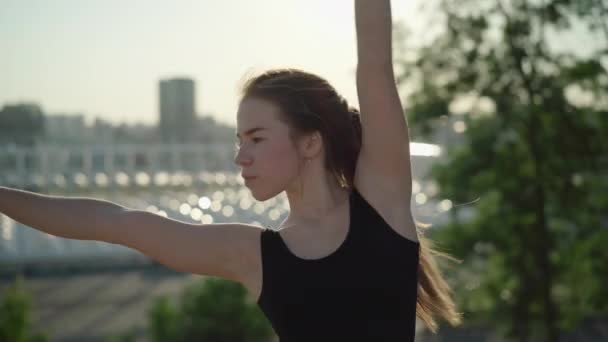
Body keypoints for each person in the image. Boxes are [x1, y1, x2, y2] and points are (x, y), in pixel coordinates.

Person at [0, 0, 462, 341]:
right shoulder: (253, 255)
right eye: (238, 140)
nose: (241, 156)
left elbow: (376, 65)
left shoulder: (382, 200)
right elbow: (115, 223)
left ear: (310, 142)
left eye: (256, 139)